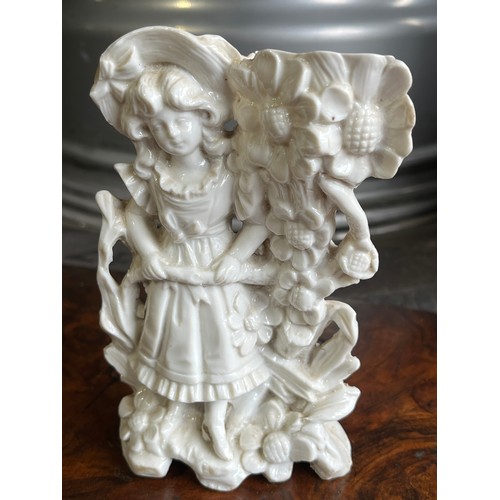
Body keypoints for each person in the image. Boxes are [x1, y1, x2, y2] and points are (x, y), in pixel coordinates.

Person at [116, 64, 269, 461]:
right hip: (174, 273)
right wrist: (151, 253)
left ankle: (215, 420)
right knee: (176, 347)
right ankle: (172, 412)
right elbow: (135, 216)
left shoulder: (229, 171)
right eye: (160, 126)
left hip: (215, 271)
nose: (172, 133)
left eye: (181, 122)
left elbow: (258, 222)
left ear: (204, 119)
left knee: (220, 349)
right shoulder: (156, 175)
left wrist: (234, 258)